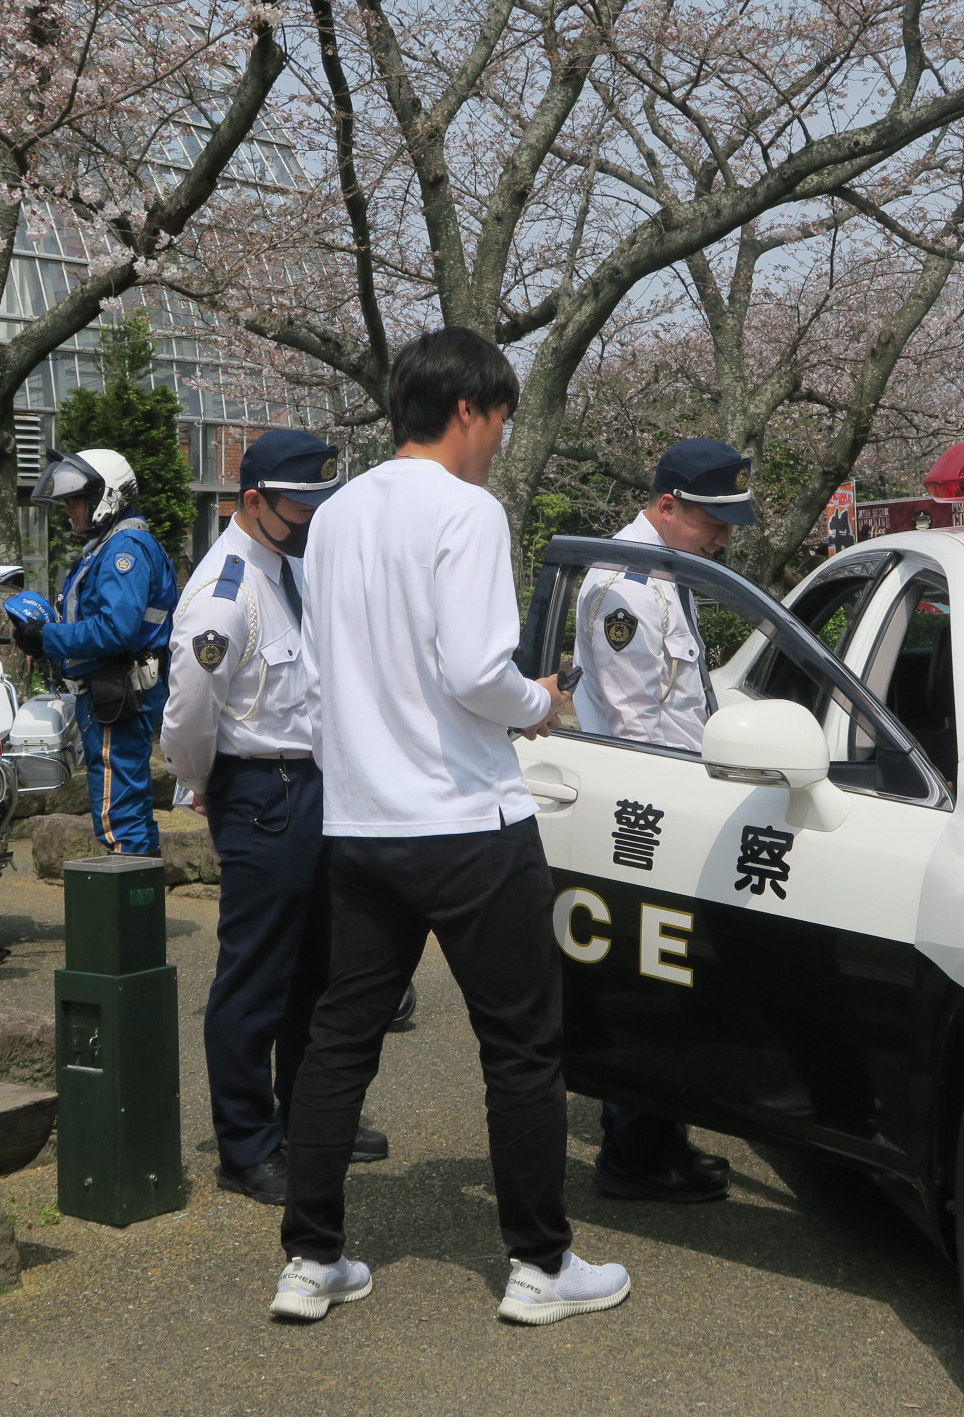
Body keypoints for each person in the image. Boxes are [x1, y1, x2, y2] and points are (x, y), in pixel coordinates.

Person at [271, 327, 629, 1328]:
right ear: (468, 409)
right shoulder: (468, 511)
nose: (500, 440)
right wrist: (539, 702)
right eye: (500, 420)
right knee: (520, 1045)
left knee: (339, 1039)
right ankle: (540, 1264)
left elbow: (320, 673)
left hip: (361, 822)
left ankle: (309, 1259)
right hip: (469, 820)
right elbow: (477, 672)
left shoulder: (336, 516)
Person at [162, 430, 390, 1205]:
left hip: (316, 785)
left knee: (320, 970)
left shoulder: (290, 568)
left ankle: (310, 1117)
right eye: (301, 508)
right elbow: (188, 717)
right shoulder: (223, 596)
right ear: (253, 501)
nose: (313, 520)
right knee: (256, 976)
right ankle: (247, 1143)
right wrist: (206, 785)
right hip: (262, 791)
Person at [572, 437, 761, 1203]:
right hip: (647, 808)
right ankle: (633, 1155)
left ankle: (659, 1138)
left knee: (668, 978)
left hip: (671, 797)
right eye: (712, 522)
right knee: (648, 983)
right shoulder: (626, 589)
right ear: (666, 506)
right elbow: (635, 727)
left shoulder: (664, 575)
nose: (722, 538)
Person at [16, 450, 178, 855]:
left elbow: (115, 629)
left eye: (76, 499)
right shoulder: (110, 545)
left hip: (118, 696)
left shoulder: (124, 550)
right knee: (129, 807)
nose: (69, 508)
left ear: (107, 497)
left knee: (118, 817)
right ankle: (142, 887)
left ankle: (128, 890)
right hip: (115, 693)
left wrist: (48, 638)